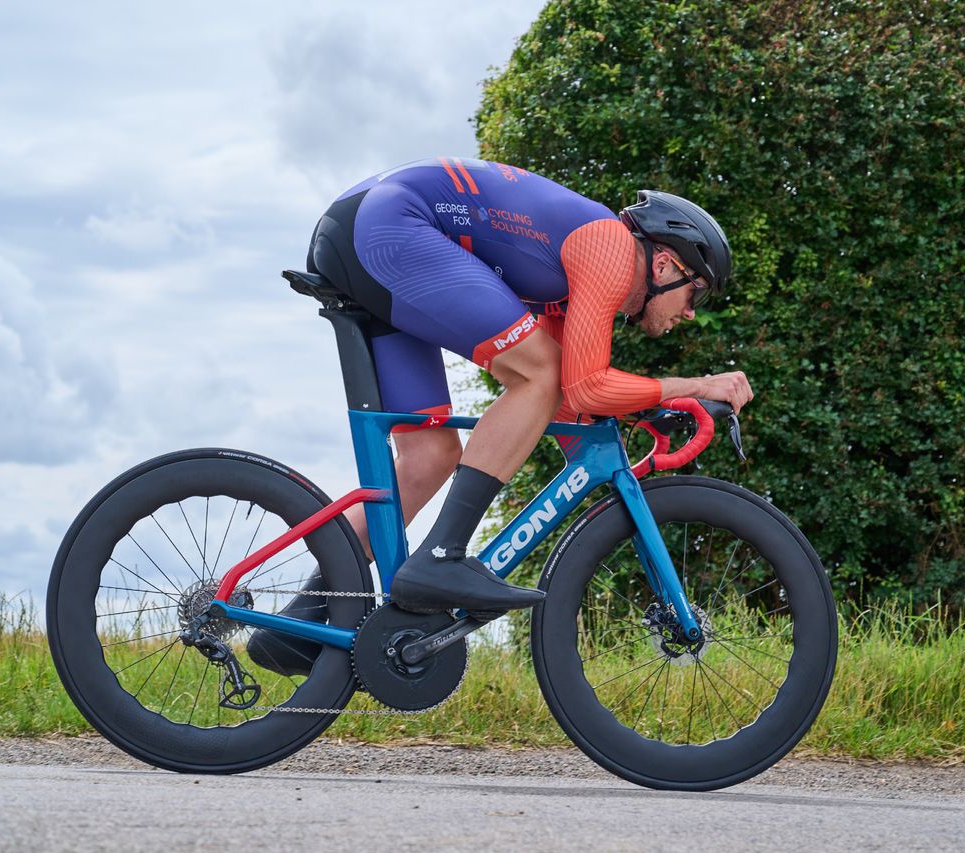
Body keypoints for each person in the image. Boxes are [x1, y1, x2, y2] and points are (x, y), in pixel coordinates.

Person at [246, 157, 752, 676]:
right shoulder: (611, 248)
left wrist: (637, 433)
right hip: (390, 228)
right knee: (540, 371)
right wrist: (694, 386)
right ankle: (440, 556)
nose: (691, 311)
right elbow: (579, 383)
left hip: (367, 233)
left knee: (431, 455)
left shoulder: (564, 287)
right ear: (665, 264)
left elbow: (569, 408)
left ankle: (301, 617)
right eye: (697, 291)